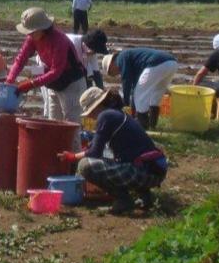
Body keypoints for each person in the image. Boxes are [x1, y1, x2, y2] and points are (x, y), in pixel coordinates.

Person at [57, 87, 168, 215]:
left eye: (91, 113)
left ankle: (123, 199)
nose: (91, 117)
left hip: (143, 172)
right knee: (113, 158)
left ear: (97, 106)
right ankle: (145, 196)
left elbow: (94, 153)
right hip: (154, 170)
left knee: (85, 166)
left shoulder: (106, 116)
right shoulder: (117, 114)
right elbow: (95, 146)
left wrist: (72, 157)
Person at [5, 8, 88, 134]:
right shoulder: (32, 39)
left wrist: (31, 83)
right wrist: (10, 79)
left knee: (71, 129)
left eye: (32, 31)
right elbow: (21, 59)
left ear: (42, 28)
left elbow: (56, 71)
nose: (29, 34)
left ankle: (72, 153)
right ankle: (54, 153)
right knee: (53, 127)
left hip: (72, 85)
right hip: (54, 84)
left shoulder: (59, 40)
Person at [104, 46, 178, 130]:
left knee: (140, 97)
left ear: (111, 64)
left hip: (156, 63)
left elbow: (126, 80)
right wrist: (132, 107)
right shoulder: (132, 60)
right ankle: (152, 126)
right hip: (172, 63)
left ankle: (143, 129)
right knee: (156, 96)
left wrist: (125, 102)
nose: (117, 74)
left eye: (112, 73)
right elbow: (135, 86)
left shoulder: (121, 58)